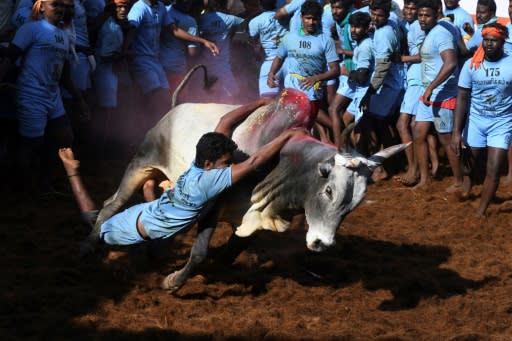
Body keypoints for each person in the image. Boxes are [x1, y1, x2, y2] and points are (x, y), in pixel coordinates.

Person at [62, 98, 307, 250]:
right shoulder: (210, 181)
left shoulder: (196, 163)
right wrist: (287, 135)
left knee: (103, 216)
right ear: (210, 164)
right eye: (226, 162)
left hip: (147, 213)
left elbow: (224, 122)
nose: (230, 165)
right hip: (138, 230)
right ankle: (74, 178)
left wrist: (258, 103)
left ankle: (94, 188)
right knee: (104, 230)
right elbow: (254, 161)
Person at [0, 0, 87, 192]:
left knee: (64, 137)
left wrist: (79, 99)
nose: (60, 9)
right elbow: (10, 58)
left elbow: (64, 74)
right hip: (31, 92)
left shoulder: (63, 35)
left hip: (52, 94)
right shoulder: (31, 29)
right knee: (31, 144)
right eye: (55, 4)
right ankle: (28, 188)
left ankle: (44, 182)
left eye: (62, 6)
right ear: (41, 7)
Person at [451, 23, 512, 216]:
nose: (488, 44)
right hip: (476, 121)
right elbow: (462, 98)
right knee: (467, 165)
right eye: (485, 40)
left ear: (503, 42)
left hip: (501, 123)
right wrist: (456, 133)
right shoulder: (471, 64)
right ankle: (468, 183)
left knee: (493, 169)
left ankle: (481, 211)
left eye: (493, 40)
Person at [413, 0, 464, 192]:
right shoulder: (430, 33)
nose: (423, 19)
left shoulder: (441, 33)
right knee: (418, 133)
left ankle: (459, 180)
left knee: (446, 139)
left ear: (436, 14)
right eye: (420, 15)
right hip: (429, 95)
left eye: (427, 15)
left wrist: (431, 87)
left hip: (443, 95)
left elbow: (450, 63)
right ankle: (425, 180)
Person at [268, 0, 340, 132]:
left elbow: (336, 70)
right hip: (291, 90)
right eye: (308, 18)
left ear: (320, 19)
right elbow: (279, 57)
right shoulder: (289, 37)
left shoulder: (326, 40)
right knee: (287, 128)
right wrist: (271, 73)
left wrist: (316, 78)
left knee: (305, 128)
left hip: (313, 93)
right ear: (301, 17)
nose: (311, 22)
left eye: (315, 19)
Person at [248, 0, 287, 98]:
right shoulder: (287, 16)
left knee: (267, 102)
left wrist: (257, 58)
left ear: (260, 4)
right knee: (297, 101)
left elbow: (255, 44)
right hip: (291, 61)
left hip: (270, 62)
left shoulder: (255, 21)